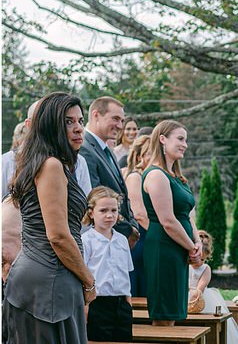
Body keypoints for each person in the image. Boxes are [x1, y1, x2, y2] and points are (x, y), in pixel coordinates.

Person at [3, 93, 115, 344]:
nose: (79, 128)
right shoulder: (50, 165)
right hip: (46, 283)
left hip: (49, 282)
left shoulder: (50, 164)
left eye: (81, 120)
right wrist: (88, 279)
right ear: (52, 125)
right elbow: (57, 236)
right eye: (70, 121)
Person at [142, 121, 201, 324]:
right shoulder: (156, 175)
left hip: (179, 248)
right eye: (180, 139)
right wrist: (191, 247)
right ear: (162, 139)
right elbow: (168, 221)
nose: (185, 144)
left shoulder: (176, 177)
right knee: (165, 312)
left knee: (176, 310)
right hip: (164, 249)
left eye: (186, 140)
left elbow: (186, 215)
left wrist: (197, 240)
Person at [79, 96, 139, 247]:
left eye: (122, 121)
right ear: (96, 115)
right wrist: (126, 230)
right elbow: (94, 197)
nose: (120, 126)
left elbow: (122, 194)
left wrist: (133, 225)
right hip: (102, 240)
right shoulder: (84, 149)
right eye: (115, 119)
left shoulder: (108, 150)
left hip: (119, 237)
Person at [3, 100, 92, 199]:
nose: (78, 128)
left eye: (81, 121)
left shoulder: (78, 162)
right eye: (68, 122)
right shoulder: (7, 161)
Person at [188, 230, 238, 344]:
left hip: (201, 299)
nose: (199, 262)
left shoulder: (206, 269)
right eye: (197, 259)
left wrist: (192, 294)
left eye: (203, 259)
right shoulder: (185, 266)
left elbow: (200, 288)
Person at [81, 186, 134, 341]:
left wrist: (128, 301)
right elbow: (83, 276)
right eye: (103, 211)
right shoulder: (87, 241)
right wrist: (85, 306)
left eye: (113, 210)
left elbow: (126, 272)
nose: (109, 215)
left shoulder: (122, 240)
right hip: (97, 304)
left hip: (121, 304)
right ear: (91, 213)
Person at [123, 133, 152, 296]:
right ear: (140, 156)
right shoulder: (135, 177)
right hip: (142, 239)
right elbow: (139, 214)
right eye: (150, 153)